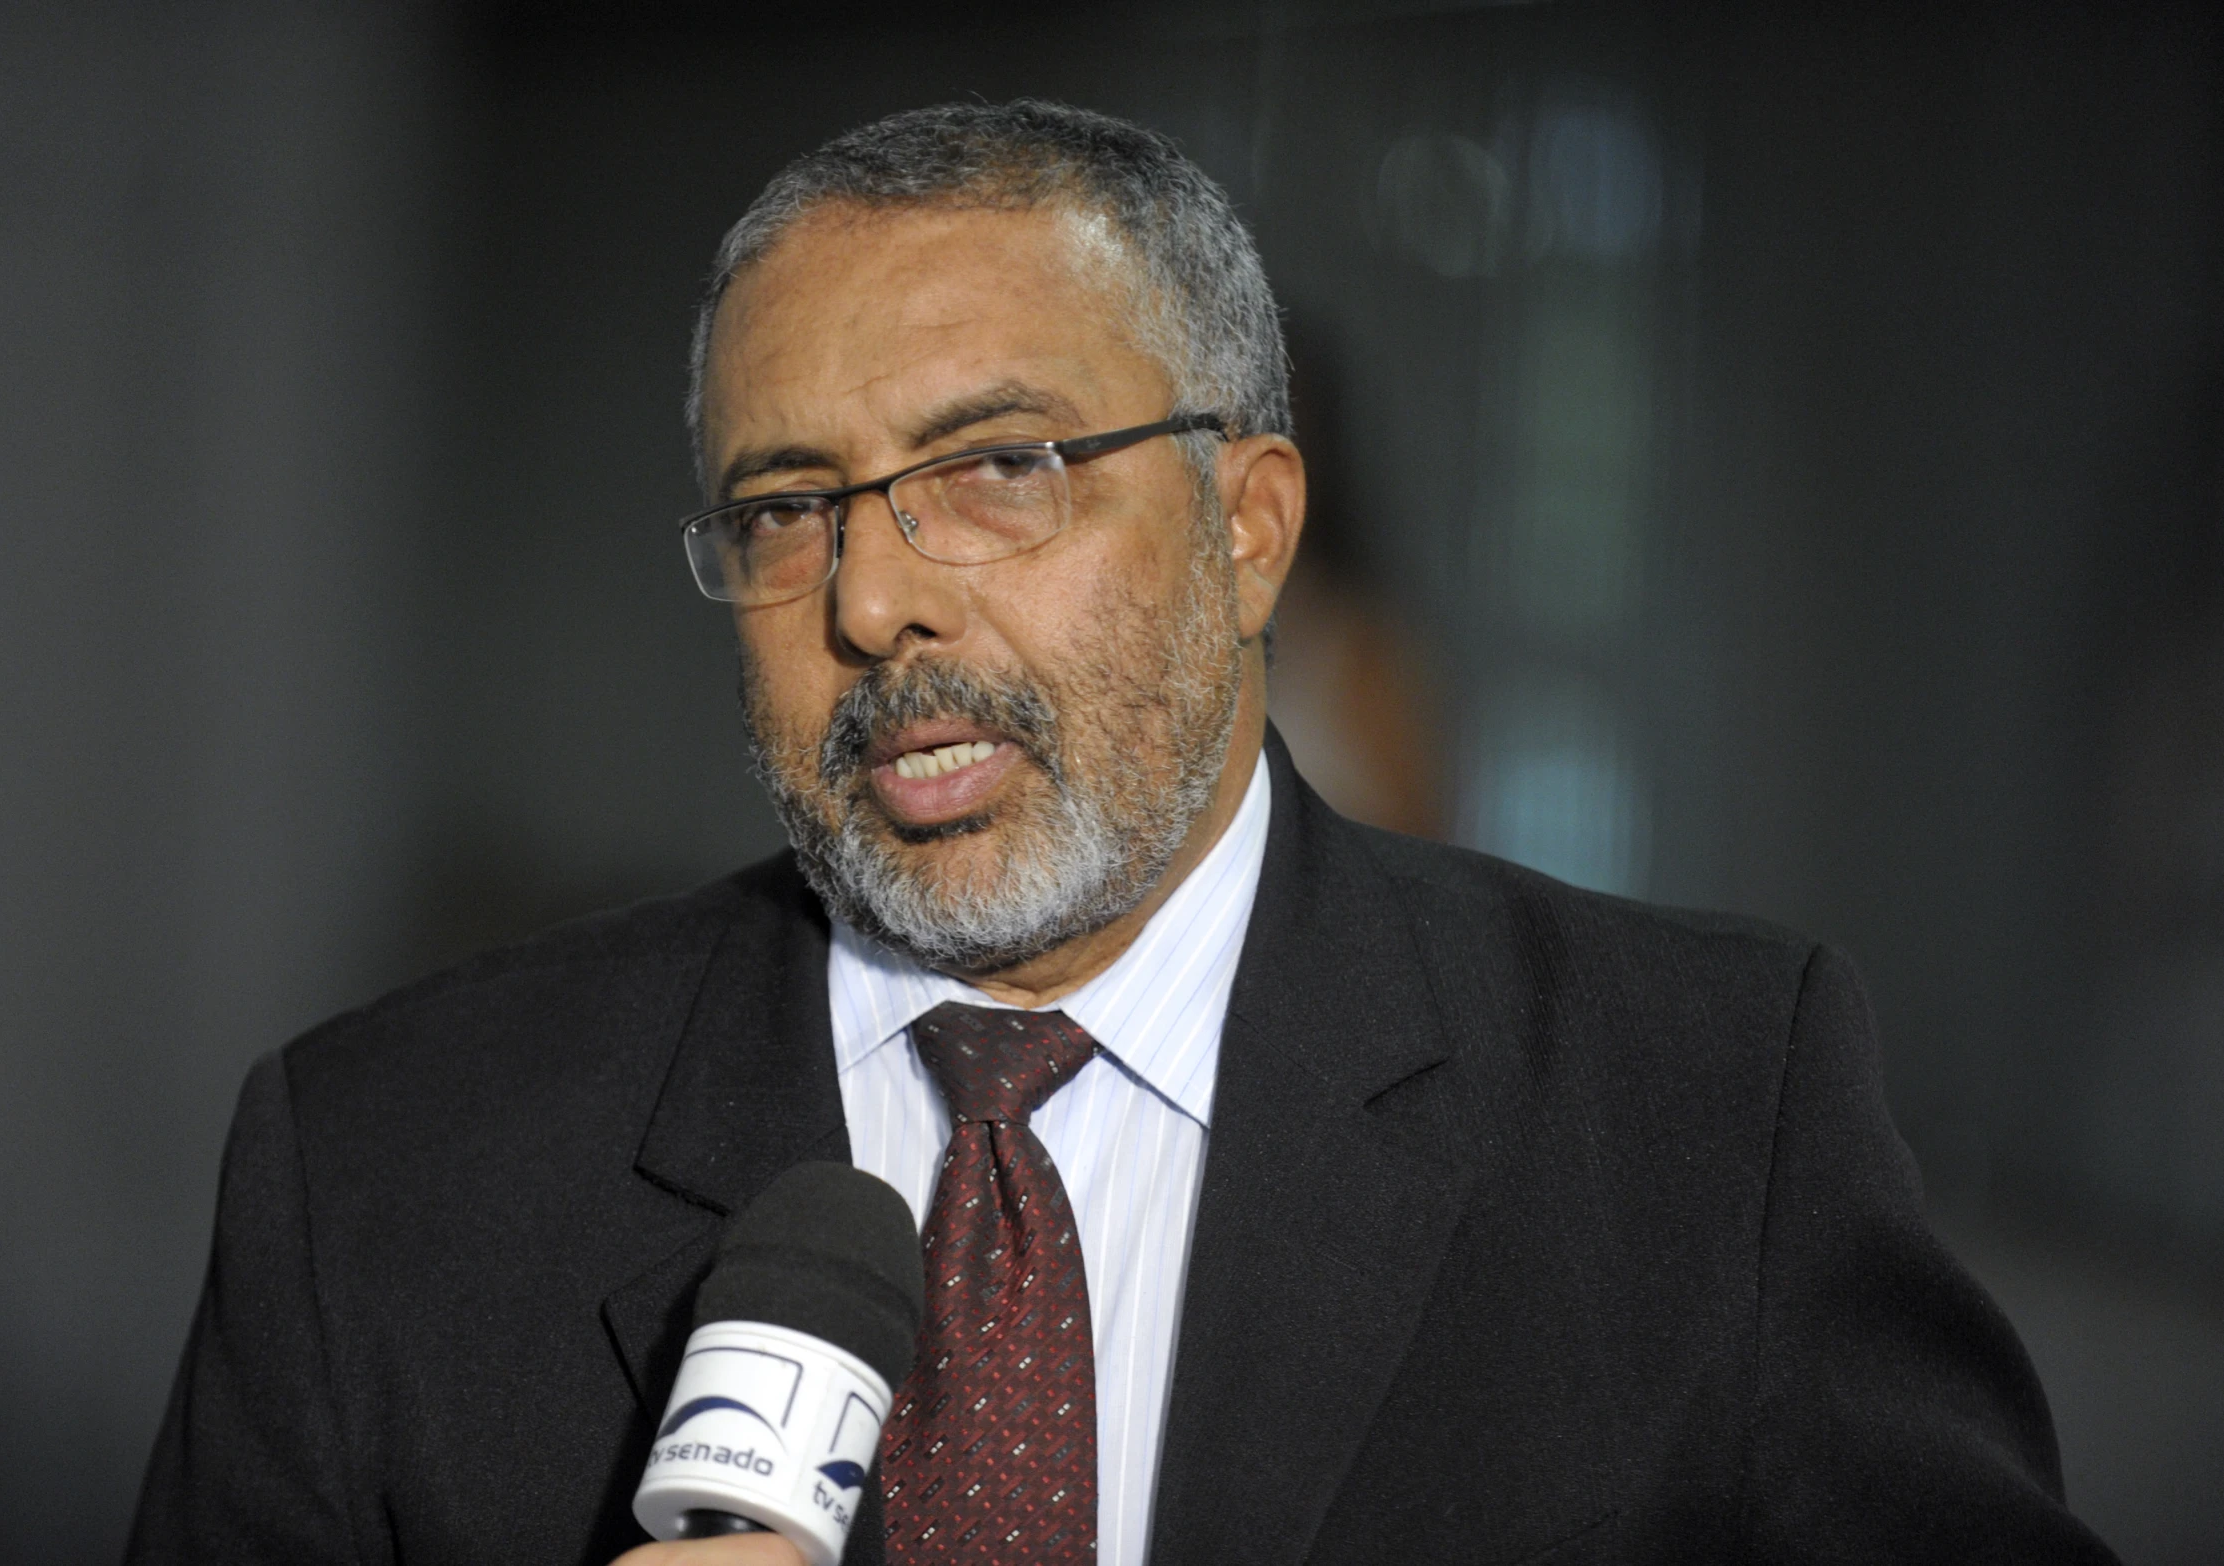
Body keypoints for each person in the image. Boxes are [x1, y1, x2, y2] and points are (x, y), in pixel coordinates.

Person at [126, 101, 2116, 1566]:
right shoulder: (382, 1168)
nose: (873, 602)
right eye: (785, 506)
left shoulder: (1704, 1107)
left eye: (995, 471)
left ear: (1250, 531)